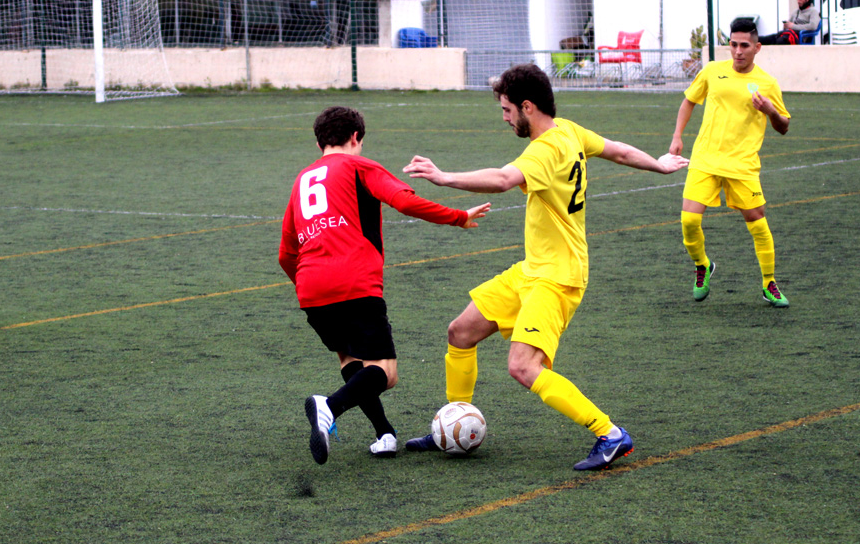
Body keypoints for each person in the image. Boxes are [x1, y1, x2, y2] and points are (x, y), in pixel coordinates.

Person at [401, 64, 688, 471]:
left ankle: (609, 434)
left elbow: (503, 179)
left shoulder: (545, 149)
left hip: (557, 276)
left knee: (523, 366)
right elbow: (619, 151)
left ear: (527, 106)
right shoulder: (569, 131)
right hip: (533, 269)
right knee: (461, 332)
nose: (504, 118)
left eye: (507, 109)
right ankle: (452, 425)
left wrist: (444, 178)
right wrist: (659, 164)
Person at [278, 106, 491, 465]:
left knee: (352, 359)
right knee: (385, 374)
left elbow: (286, 253)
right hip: (353, 282)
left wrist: (310, 283)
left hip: (311, 288)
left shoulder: (301, 180)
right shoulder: (358, 166)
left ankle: (384, 434)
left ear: (319, 144)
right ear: (356, 137)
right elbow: (403, 200)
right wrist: (457, 217)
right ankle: (329, 406)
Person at [670, 18, 791, 307]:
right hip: (705, 159)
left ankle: (769, 283)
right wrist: (677, 136)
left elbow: (784, 126)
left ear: (757, 48)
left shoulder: (767, 83)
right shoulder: (712, 71)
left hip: (742, 165)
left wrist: (771, 110)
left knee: (757, 223)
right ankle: (702, 265)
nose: (738, 51)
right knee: (689, 220)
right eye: (733, 44)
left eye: (744, 45)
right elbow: (689, 101)